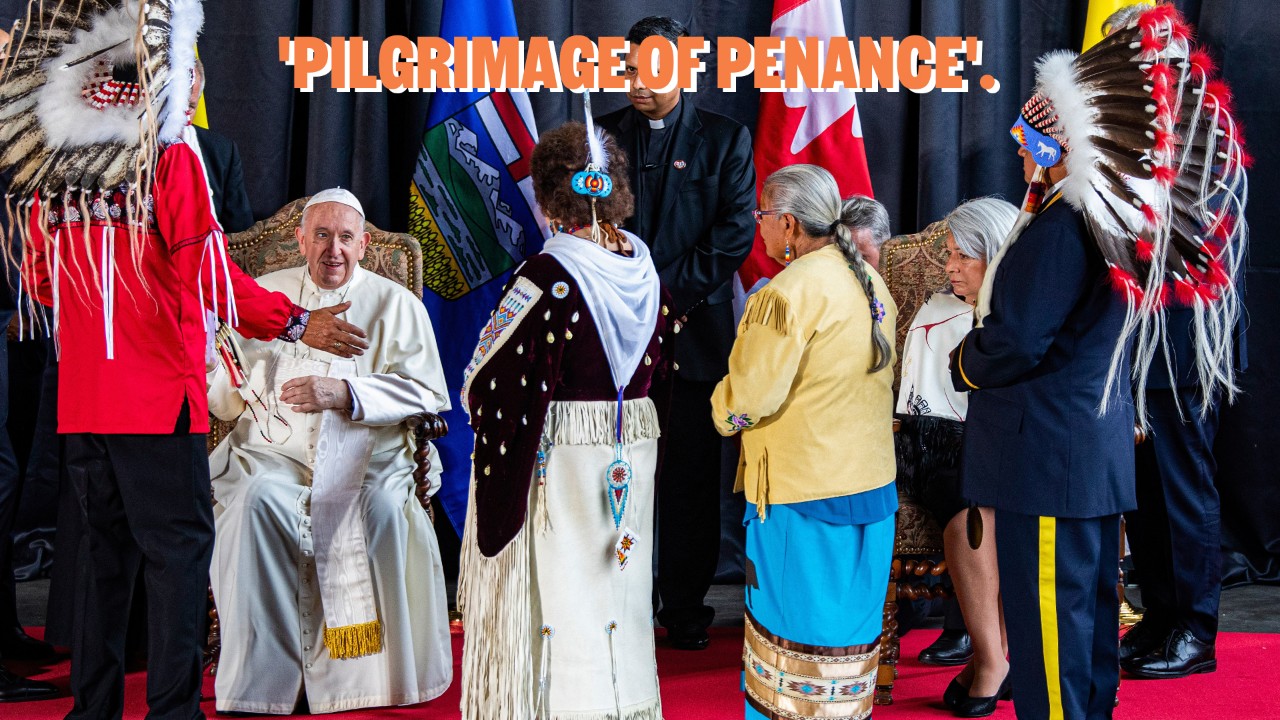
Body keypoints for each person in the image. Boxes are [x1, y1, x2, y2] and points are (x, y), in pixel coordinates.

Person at [1, 5, 369, 717]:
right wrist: (296, 319)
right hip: (154, 402)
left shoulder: (62, 174)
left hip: (83, 403)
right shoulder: (169, 159)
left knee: (102, 566)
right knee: (176, 563)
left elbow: (44, 281)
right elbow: (209, 276)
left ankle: (94, 709)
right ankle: (173, 710)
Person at [949, 8, 1247, 717]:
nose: (1021, 159)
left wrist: (965, 359)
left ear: (1057, 149)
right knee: (1083, 637)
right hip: (1084, 461)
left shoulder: (1061, 228)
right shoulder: (1105, 226)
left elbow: (1018, 340)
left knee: (1053, 642)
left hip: (1048, 462)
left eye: (1029, 146)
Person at [207, 188, 453, 713]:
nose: (333, 249)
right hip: (274, 458)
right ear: (300, 240)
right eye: (321, 235)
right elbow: (219, 383)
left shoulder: (396, 304)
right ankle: (263, 683)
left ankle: (366, 681)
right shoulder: (263, 295)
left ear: (364, 245)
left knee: (381, 511)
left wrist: (346, 394)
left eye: (345, 238)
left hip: (370, 461)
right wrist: (248, 383)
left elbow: (429, 394)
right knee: (254, 506)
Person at [458, 121, 673, 720]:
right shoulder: (647, 271)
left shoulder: (547, 277)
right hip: (630, 452)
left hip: (561, 460)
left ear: (551, 198)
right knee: (617, 588)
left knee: (563, 589)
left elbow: (492, 376)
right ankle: (619, 704)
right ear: (616, 192)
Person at [712, 165, 897, 720]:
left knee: (794, 652)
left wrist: (720, 410)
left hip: (803, 498)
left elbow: (748, 399)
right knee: (848, 650)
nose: (758, 227)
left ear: (788, 224)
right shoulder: (868, 279)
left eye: (762, 216)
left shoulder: (789, 291)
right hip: (871, 492)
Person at [597, 15, 756, 651]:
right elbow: (588, 222)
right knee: (616, 472)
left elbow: (734, 234)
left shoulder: (725, 138)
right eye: (629, 67)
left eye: (650, 68)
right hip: (614, 337)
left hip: (693, 334)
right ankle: (617, 601)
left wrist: (662, 298)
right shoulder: (601, 135)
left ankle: (684, 610)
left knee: (690, 481)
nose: (637, 80)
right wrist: (632, 298)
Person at [1104, 2, 1245, 681]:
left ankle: (1194, 627)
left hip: (1185, 337)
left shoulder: (1199, 127)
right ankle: (1159, 616)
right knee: (1145, 494)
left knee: (1182, 489)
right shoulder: (1120, 126)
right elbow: (1043, 168)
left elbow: (1194, 239)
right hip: (1129, 342)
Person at [894, 197, 1018, 717]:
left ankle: (996, 658)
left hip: (1004, 444)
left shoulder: (1017, 313)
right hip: (936, 447)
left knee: (1005, 502)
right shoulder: (934, 309)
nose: (949, 267)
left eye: (963, 256)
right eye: (948, 254)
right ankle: (991, 658)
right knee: (971, 508)